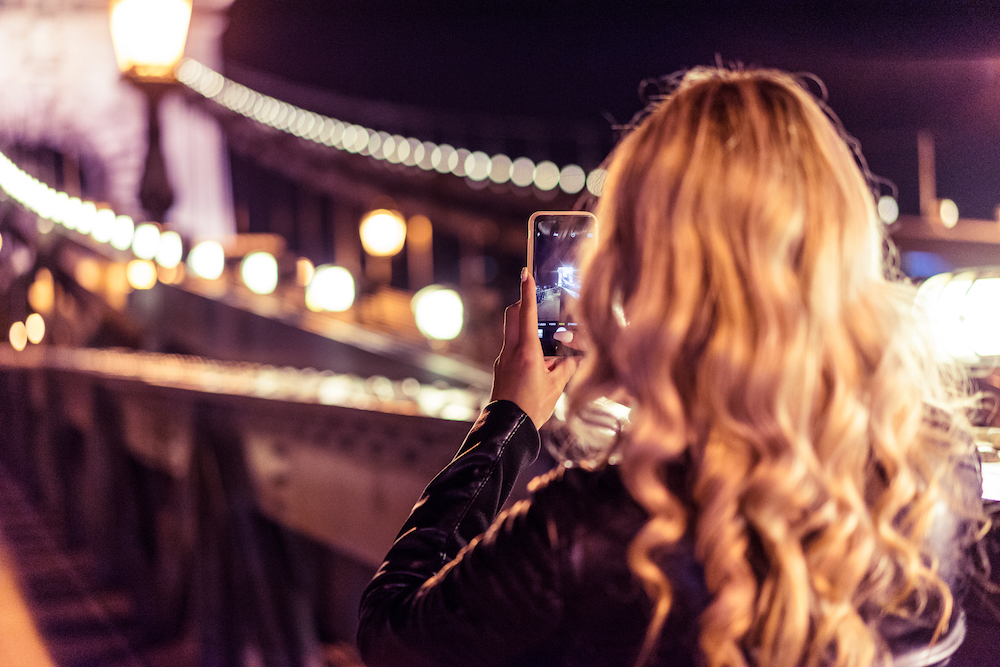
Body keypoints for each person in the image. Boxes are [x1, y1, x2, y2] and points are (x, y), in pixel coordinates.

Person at [357, 68, 986, 667]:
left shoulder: (580, 529)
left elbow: (389, 636)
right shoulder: (932, 465)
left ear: (645, 267)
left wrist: (509, 418)